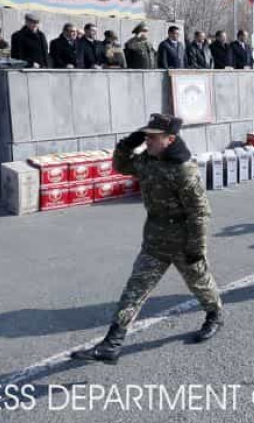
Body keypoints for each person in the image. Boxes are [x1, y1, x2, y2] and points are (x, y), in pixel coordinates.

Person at [70, 113, 224, 365]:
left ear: (170, 139)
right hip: (155, 239)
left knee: (200, 283)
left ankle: (215, 315)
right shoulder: (147, 160)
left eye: (153, 137)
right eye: (146, 136)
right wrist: (127, 144)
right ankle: (112, 344)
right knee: (135, 289)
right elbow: (121, 166)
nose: (147, 141)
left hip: (183, 241)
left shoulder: (184, 169)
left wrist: (196, 248)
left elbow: (200, 212)